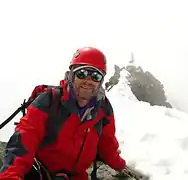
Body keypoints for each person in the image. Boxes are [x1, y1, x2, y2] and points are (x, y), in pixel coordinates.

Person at [0, 47, 126, 180]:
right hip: (41, 173)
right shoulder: (49, 101)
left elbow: (108, 144)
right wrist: (10, 176)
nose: (88, 81)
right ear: (71, 75)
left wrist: (120, 165)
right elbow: (24, 140)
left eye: (95, 76)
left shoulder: (103, 108)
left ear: (100, 82)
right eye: (82, 73)